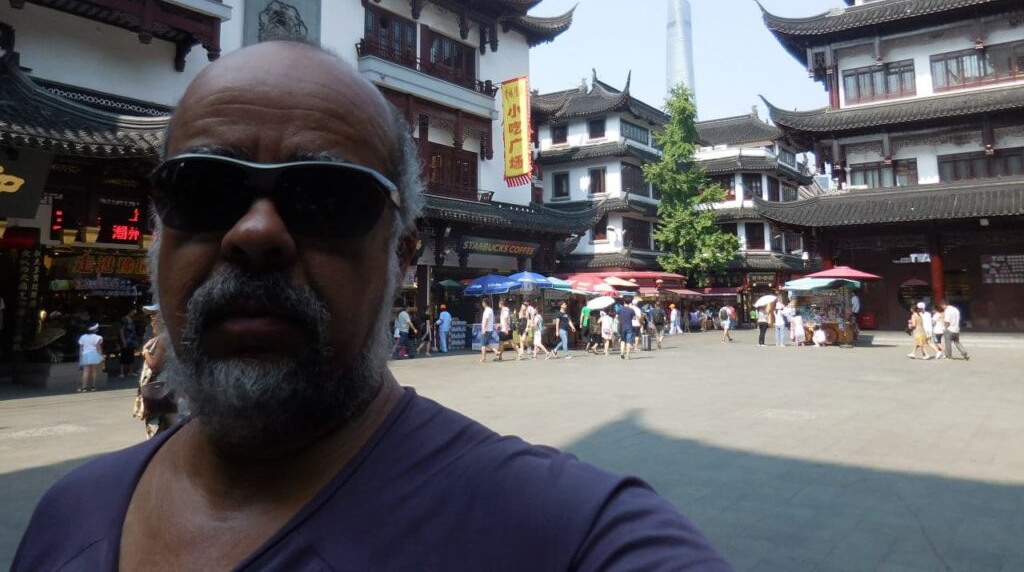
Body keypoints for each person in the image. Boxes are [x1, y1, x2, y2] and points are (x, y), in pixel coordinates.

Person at [13, 41, 729, 572]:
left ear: (402, 254)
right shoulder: (67, 516)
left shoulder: (554, 530)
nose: (256, 233)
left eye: (326, 199)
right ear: (160, 231)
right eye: (206, 189)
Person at [133, 304, 179, 438]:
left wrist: (145, 352)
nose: (152, 319)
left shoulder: (164, 339)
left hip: (161, 388)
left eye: (155, 315)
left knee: (164, 424)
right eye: (151, 316)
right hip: (166, 387)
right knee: (167, 420)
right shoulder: (165, 337)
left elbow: (155, 365)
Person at [77, 323, 103, 392]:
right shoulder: (97, 337)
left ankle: (84, 387)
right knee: (94, 371)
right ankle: (93, 387)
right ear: (94, 330)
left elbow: (81, 349)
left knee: (86, 371)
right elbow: (98, 348)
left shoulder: (82, 337)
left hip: (85, 355)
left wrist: (80, 357)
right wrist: (101, 355)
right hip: (94, 354)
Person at [118, 308, 138, 378]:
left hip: (131, 340)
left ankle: (131, 371)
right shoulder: (124, 320)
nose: (134, 312)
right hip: (126, 339)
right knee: (123, 355)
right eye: (133, 311)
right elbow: (121, 331)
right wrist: (123, 341)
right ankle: (122, 372)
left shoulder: (132, 319)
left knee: (131, 355)